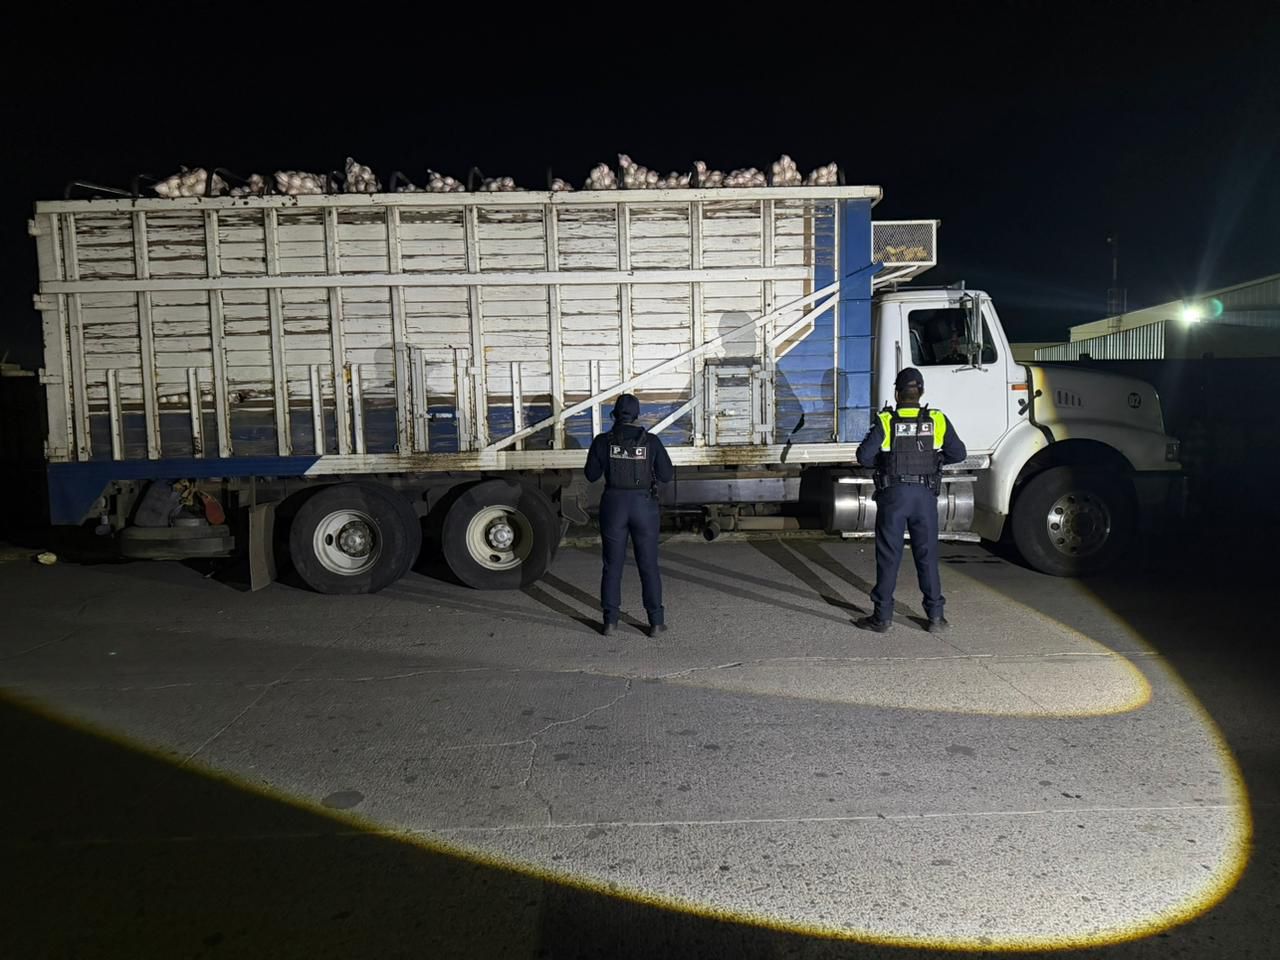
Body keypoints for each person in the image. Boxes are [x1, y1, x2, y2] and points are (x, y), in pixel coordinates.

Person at [854, 368, 967, 634]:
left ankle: (882, 618)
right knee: (927, 556)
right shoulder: (936, 419)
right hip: (924, 497)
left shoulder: (886, 420)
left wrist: (886, 462)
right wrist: (936, 459)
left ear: (897, 394)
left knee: (889, 556)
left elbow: (864, 457)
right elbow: (958, 453)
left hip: (894, 496)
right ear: (921, 392)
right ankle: (936, 617)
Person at [585, 393, 674, 637]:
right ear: (637, 415)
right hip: (643, 507)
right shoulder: (651, 441)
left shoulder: (602, 441)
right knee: (648, 565)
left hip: (614, 505)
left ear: (614, 414)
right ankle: (656, 622)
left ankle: (610, 622)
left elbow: (591, 475)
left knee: (612, 566)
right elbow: (666, 475)